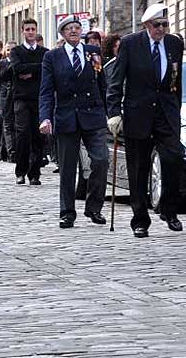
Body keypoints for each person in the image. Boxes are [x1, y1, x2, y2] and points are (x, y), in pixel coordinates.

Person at [106, 4, 185, 237]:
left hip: (166, 113)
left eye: (165, 24)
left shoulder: (174, 44)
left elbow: (175, 79)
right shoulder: (131, 44)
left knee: (174, 158)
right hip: (138, 113)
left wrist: (176, 108)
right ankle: (140, 219)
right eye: (156, 25)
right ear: (146, 26)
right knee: (138, 168)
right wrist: (114, 112)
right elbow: (116, 80)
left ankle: (169, 210)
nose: (161, 29)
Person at [39, 15, 110, 228]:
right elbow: (46, 91)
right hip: (67, 116)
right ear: (62, 33)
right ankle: (67, 211)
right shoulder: (53, 57)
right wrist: (45, 117)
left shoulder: (93, 53)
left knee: (101, 160)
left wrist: (109, 112)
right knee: (68, 167)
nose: (73, 31)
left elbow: (102, 84)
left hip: (93, 115)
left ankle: (94, 207)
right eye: (69, 28)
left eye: (77, 28)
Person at [9, 19, 47, 185]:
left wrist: (30, 70)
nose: (31, 32)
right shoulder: (16, 51)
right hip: (21, 98)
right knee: (23, 134)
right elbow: (17, 69)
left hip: (38, 98)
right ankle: (21, 170)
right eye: (28, 29)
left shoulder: (44, 52)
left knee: (38, 136)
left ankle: (35, 173)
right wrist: (35, 69)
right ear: (22, 31)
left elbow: (46, 68)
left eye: (33, 29)